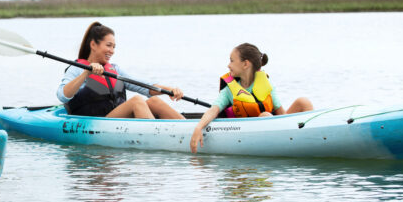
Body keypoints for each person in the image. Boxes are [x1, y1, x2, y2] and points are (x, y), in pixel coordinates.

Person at [190, 43, 314, 153]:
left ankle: (311, 139)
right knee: (265, 115)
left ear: (245, 64)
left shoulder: (266, 85)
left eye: (232, 61)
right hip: (247, 134)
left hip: (275, 130)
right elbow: (213, 110)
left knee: (303, 102)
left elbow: (283, 115)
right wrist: (198, 127)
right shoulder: (229, 90)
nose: (228, 65)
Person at [57, 21, 185, 119]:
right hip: (96, 124)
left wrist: (170, 90)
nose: (111, 51)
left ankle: (191, 131)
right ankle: (158, 137)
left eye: (113, 47)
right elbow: (63, 95)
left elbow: (145, 87)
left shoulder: (115, 70)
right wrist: (86, 73)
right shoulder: (77, 69)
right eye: (108, 45)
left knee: (154, 101)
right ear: (93, 45)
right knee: (136, 101)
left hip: (118, 122)